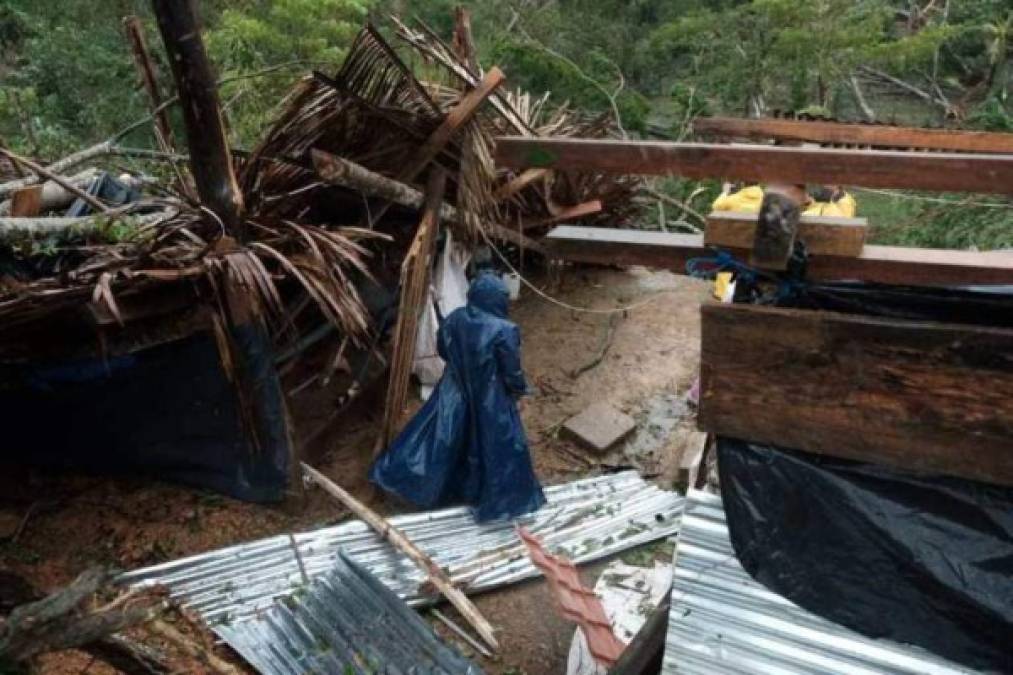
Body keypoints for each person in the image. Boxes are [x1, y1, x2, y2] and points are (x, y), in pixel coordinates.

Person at [370, 271, 546, 522]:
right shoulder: (505, 329)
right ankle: (488, 497)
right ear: (496, 298)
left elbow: (443, 347)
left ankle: (411, 483)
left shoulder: (454, 318)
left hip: (454, 387)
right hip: (490, 395)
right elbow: (511, 369)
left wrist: (460, 367)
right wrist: (517, 390)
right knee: (494, 445)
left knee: (441, 437)